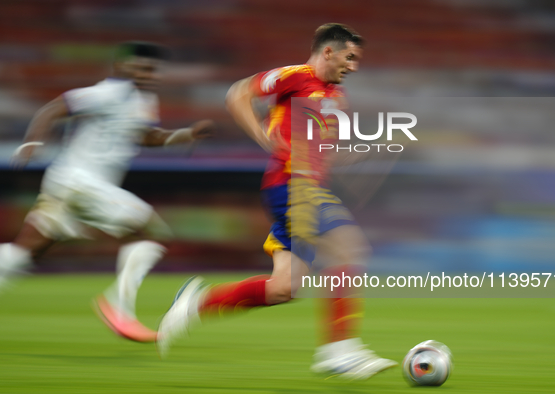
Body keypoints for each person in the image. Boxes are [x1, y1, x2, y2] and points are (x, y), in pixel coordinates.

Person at [156, 24, 396, 380]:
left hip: (306, 187)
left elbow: (322, 152)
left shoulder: (336, 97)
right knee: (348, 248)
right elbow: (238, 93)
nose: (355, 67)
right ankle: (339, 350)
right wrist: (264, 138)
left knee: (282, 288)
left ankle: (195, 303)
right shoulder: (294, 77)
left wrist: (360, 154)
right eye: (350, 57)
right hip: (289, 186)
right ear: (328, 52)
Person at [0, 41, 214, 343]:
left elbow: (146, 136)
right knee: (150, 231)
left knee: (25, 253)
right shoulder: (107, 92)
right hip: (79, 183)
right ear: (120, 67)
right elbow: (54, 108)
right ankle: (119, 307)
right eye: (140, 67)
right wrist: (32, 142)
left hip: (67, 185)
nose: (147, 74)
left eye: (152, 69)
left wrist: (185, 134)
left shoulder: (142, 100)